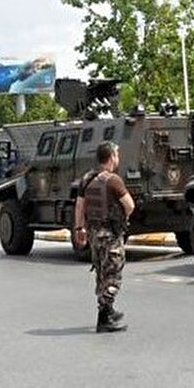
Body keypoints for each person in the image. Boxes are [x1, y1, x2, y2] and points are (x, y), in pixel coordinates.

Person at [74, 142, 135, 333]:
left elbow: (79, 206)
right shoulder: (113, 180)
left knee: (101, 273)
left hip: (94, 234)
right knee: (114, 274)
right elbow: (130, 205)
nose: (118, 158)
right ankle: (104, 317)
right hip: (110, 235)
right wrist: (122, 217)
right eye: (116, 155)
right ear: (111, 157)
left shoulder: (87, 178)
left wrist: (79, 228)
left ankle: (109, 310)